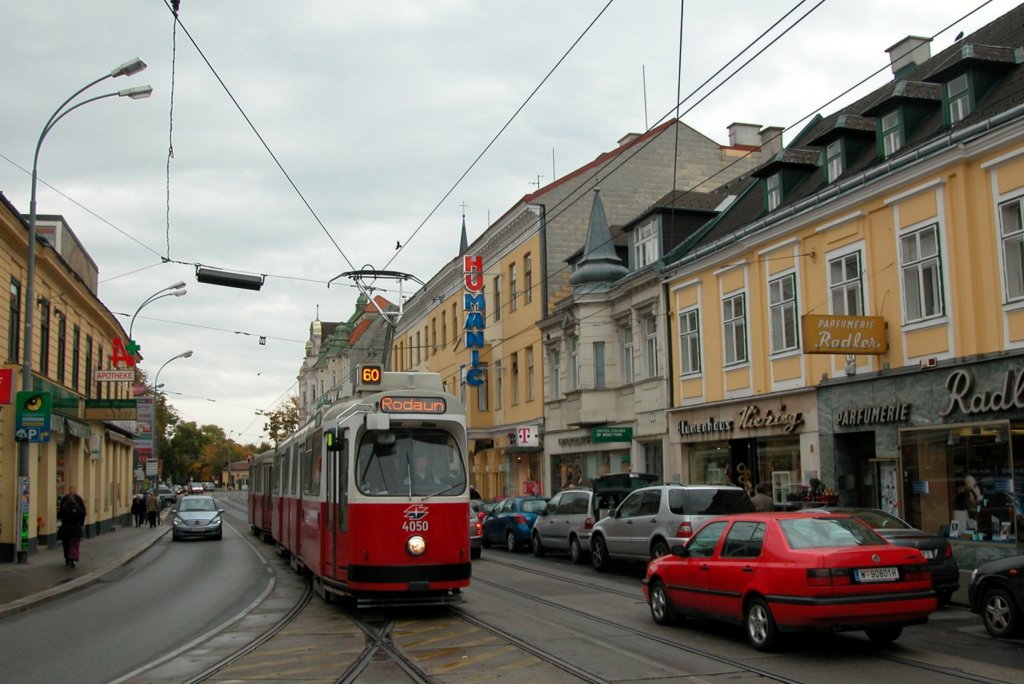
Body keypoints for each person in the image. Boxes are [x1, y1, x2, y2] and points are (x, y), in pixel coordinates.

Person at [57, 487, 86, 568]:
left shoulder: (64, 509)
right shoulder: (78, 509)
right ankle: (72, 558)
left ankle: (67, 558)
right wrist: (81, 524)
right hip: (76, 529)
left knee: (66, 544)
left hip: (66, 529)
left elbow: (59, 516)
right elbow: (83, 514)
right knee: (74, 544)